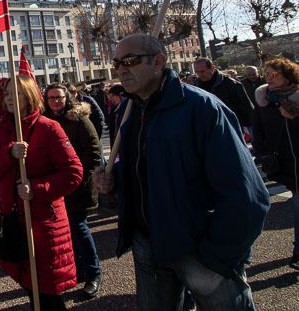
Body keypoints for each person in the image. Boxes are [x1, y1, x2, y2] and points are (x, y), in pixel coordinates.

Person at [93, 34, 269, 310]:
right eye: (116, 63)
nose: (121, 69)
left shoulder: (202, 108)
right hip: (148, 244)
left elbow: (247, 194)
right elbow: (146, 167)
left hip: (199, 247)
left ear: (158, 61)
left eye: (130, 60)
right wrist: (114, 178)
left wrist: (218, 255)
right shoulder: (128, 110)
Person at [0, 75, 83, 310]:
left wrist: (36, 188)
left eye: (15, 94)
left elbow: (73, 173)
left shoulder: (49, 128)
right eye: (7, 94)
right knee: (30, 286)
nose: (9, 98)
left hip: (43, 222)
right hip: (12, 219)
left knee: (46, 293)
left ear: (29, 96)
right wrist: (8, 153)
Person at [43, 83, 103, 298]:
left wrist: (75, 176)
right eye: (51, 98)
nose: (56, 101)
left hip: (77, 185)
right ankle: (78, 269)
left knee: (79, 227)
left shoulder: (79, 119)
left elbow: (94, 152)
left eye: (59, 97)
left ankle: (93, 274)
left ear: (66, 97)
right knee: (68, 229)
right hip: (57, 186)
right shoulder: (46, 121)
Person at [252, 58, 299, 269]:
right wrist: (261, 153)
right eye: (267, 74)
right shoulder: (264, 100)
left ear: (287, 76)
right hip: (282, 160)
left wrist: (293, 116)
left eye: (274, 75)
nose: (269, 78)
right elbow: (258, 129)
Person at [193, 57, 254, 129]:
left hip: (230, 126)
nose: (200, 75)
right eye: (197, 72)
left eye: (202, 71)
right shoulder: (195, 86)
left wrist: (243, 127)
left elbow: (246, 108)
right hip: (207, 128)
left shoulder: (231, 84)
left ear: (212, 68)